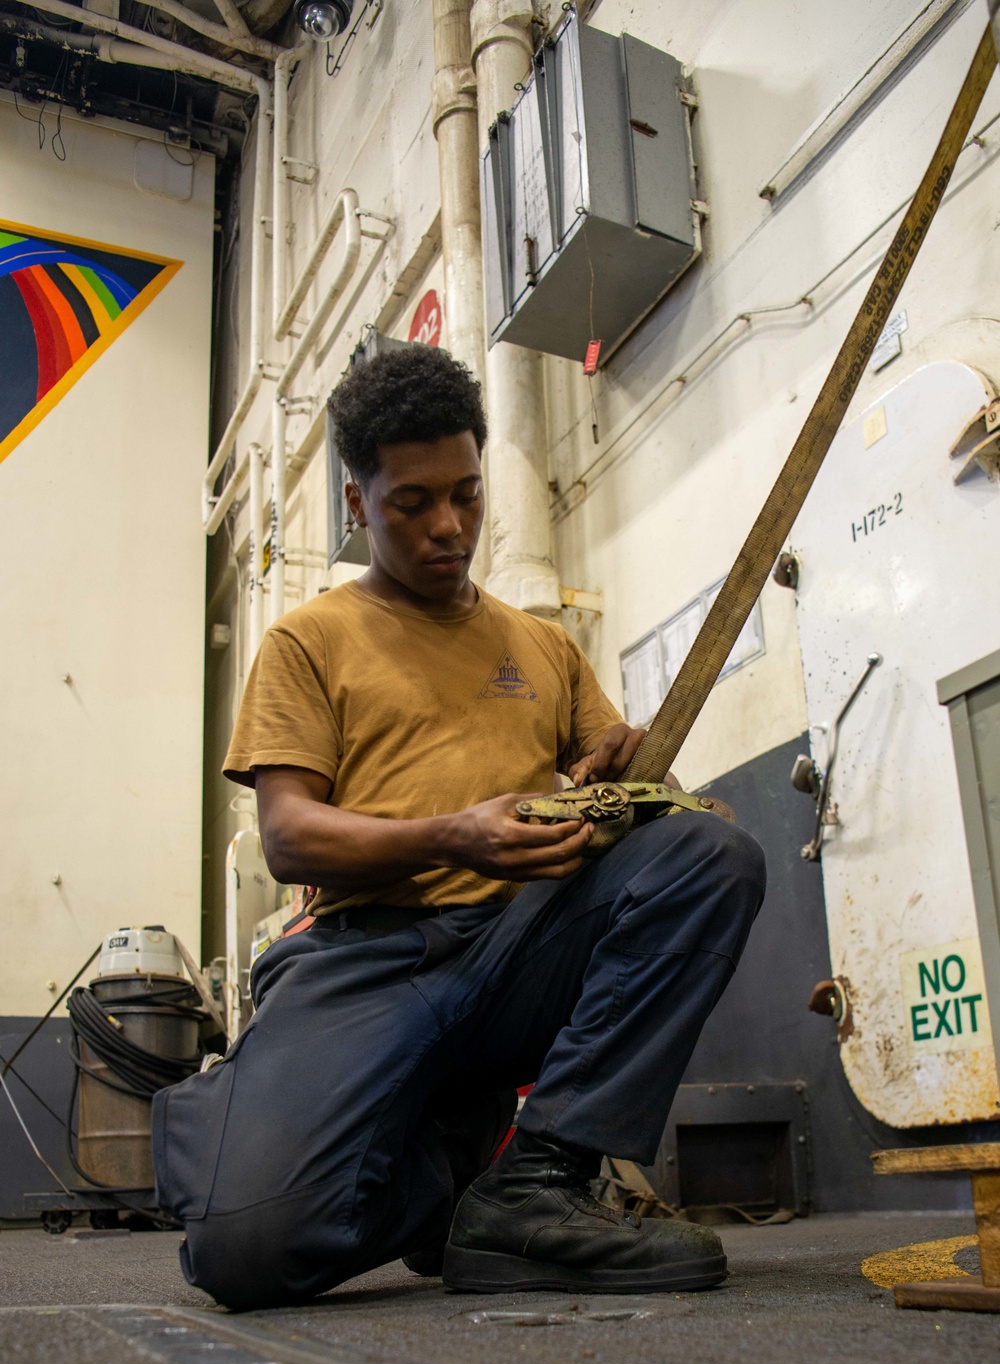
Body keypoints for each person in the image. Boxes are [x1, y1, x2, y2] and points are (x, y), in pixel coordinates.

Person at [152, 344, 766, 1311]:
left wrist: (632, 772)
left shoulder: (544, 647)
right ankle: (446, 1171)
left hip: (516, 948)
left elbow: (641, 805)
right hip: (367, 959)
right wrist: (455, 836)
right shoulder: (309, 640)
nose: (449, 526)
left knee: (707, 852)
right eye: (412, 503)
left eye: (468, 495)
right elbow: (289, 839)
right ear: (358, 503)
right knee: (245, 1253)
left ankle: (535, 1183)